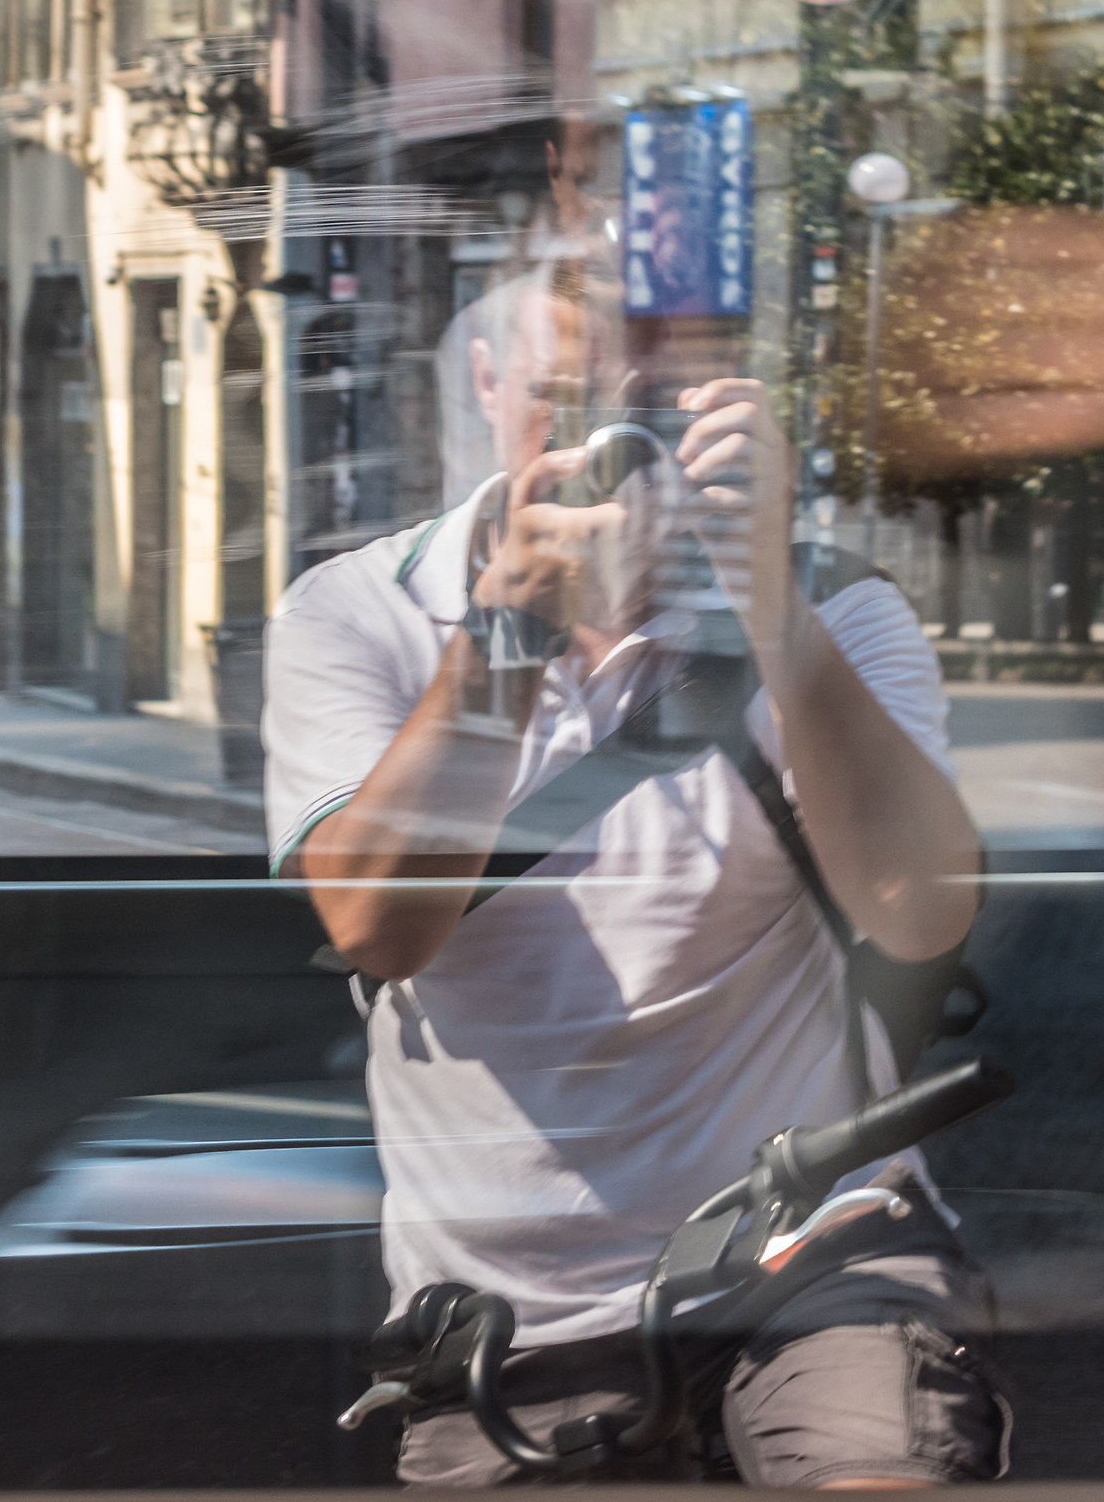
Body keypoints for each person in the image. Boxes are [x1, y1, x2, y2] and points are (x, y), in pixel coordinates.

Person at [262, 125, 1010, 1488]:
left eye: (647, 411)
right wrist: (499, 650)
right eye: (566, 399)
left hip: (809, 1247)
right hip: (506, 1310)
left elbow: (922, 912)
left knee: (881, 1464)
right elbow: (377, 921)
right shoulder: (361, 614)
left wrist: (770, 598)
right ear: (485, 387)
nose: (610, 451)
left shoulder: (834, 607)